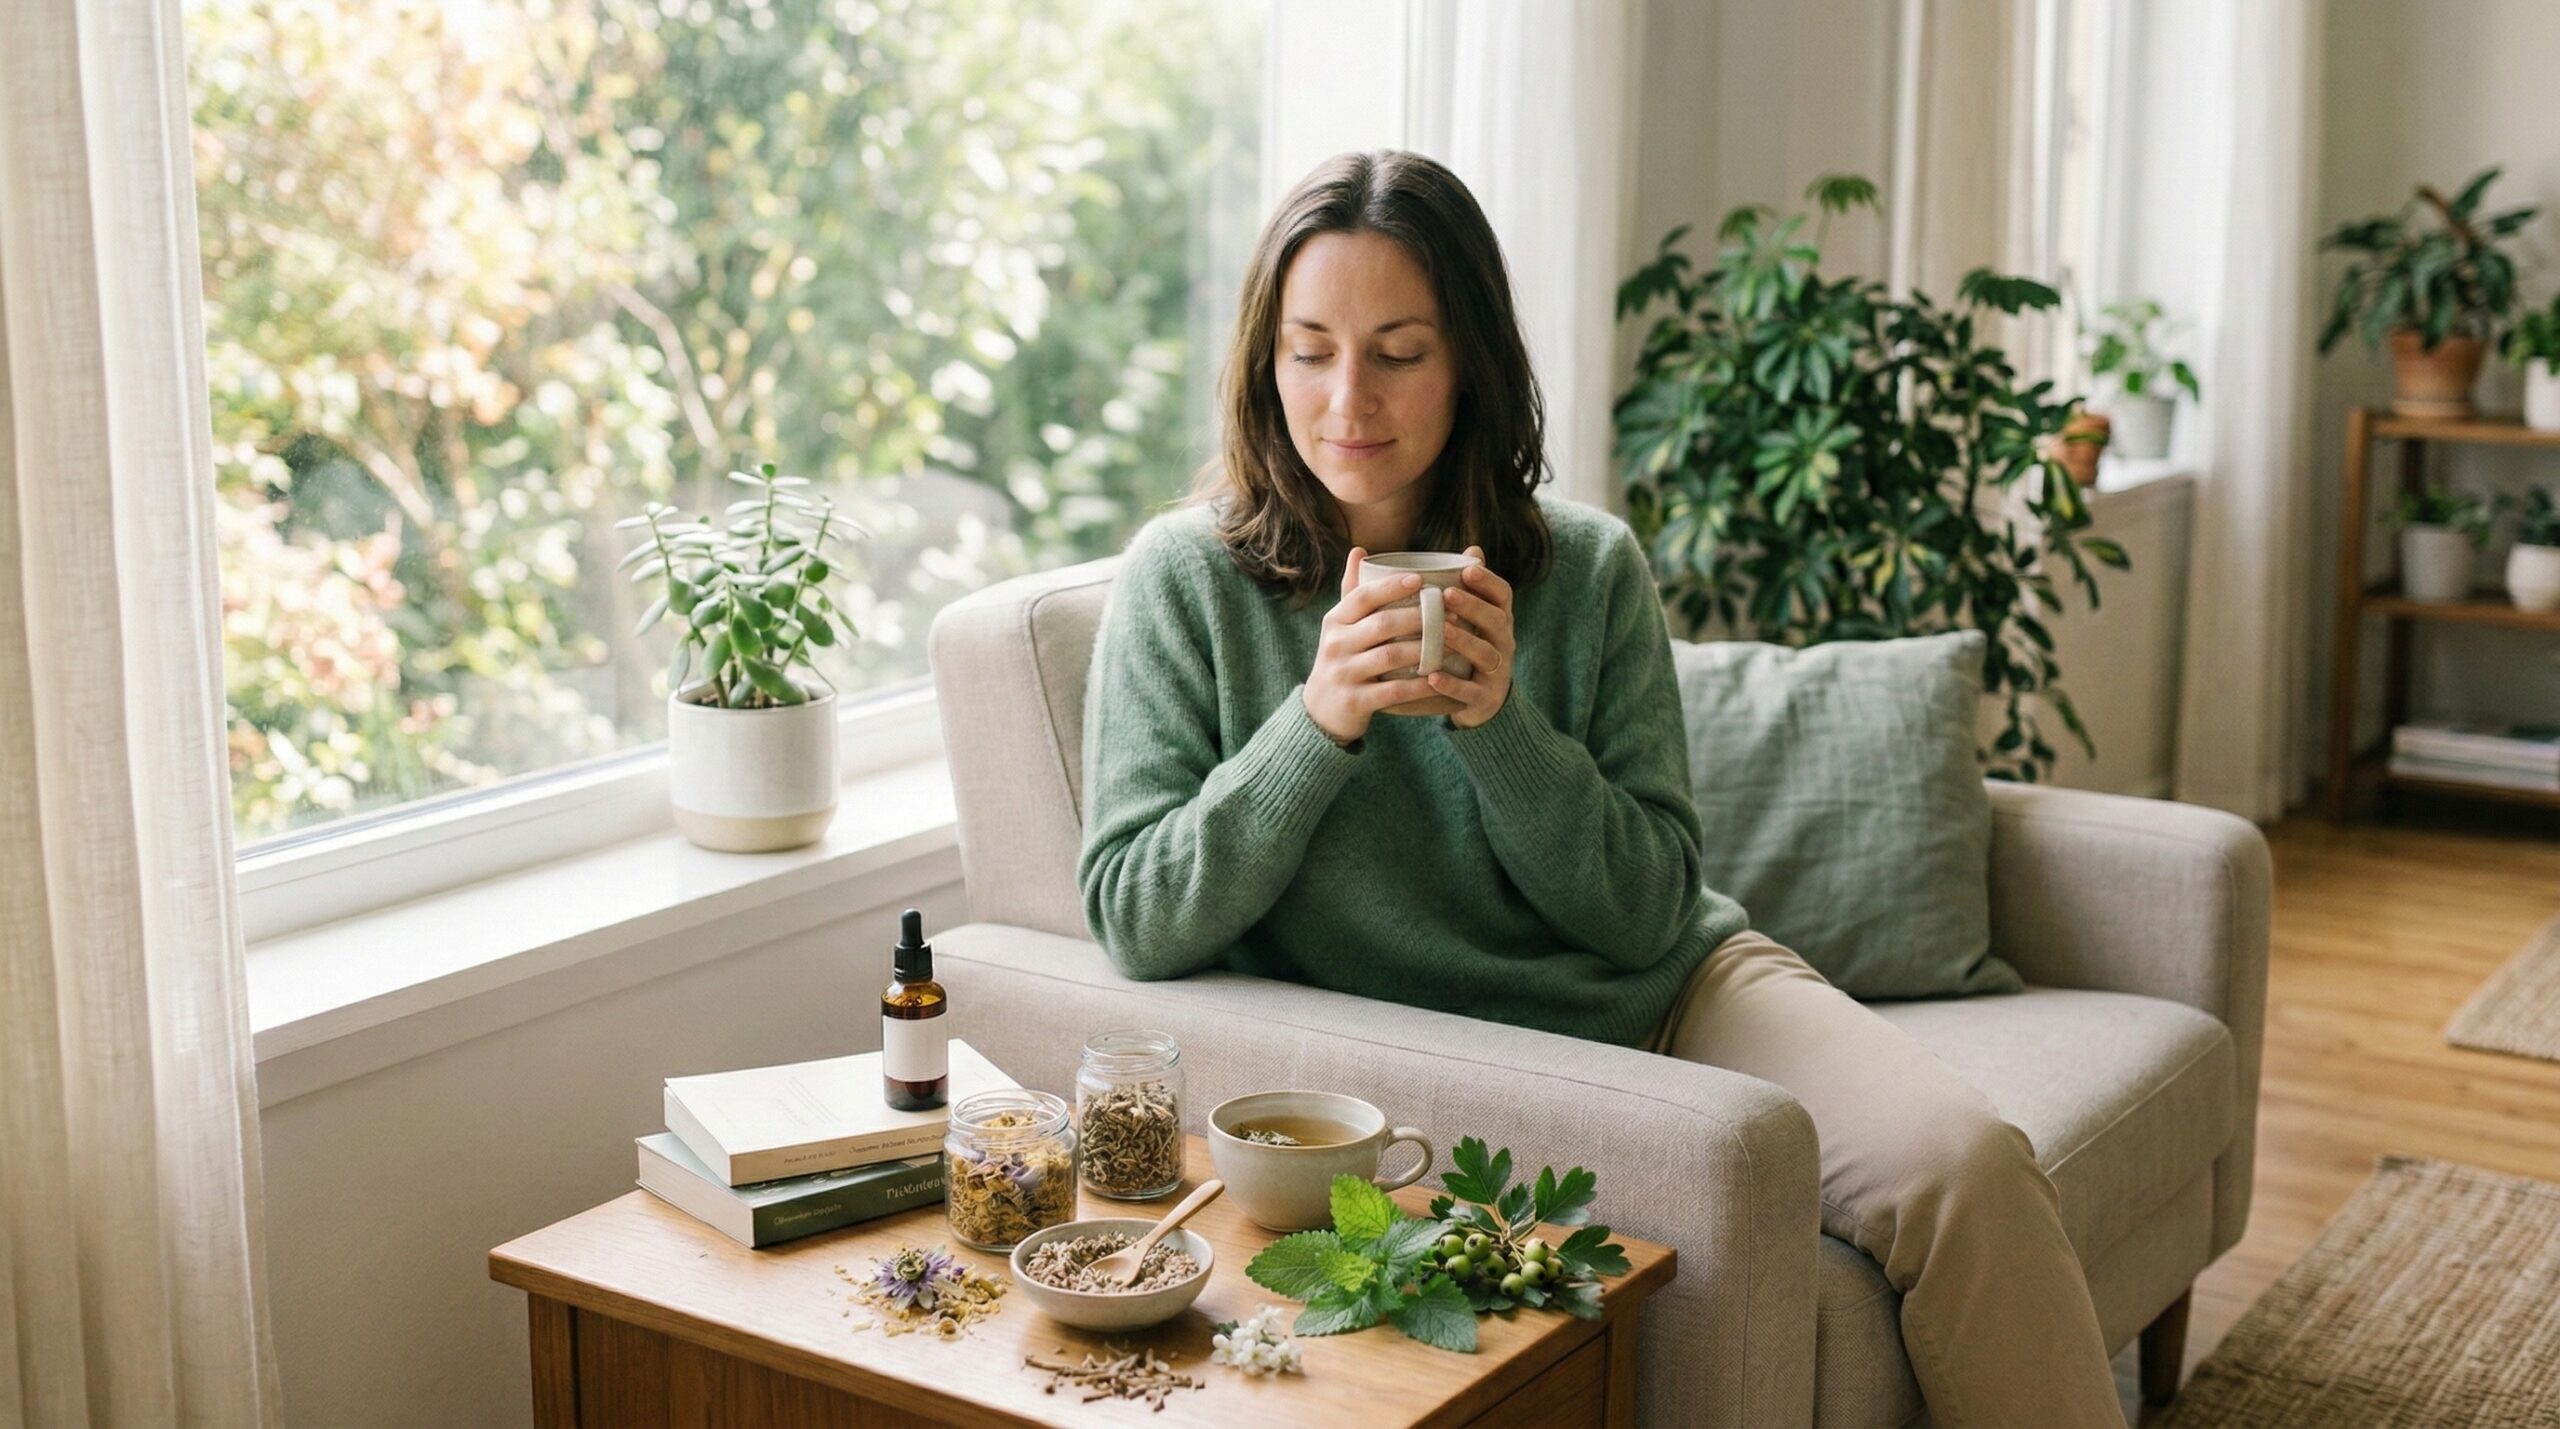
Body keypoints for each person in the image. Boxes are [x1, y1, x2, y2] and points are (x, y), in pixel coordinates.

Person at [1074, 148, 2123, 1427]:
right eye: (1310, 349)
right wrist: (1316, 721)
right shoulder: (1186, 581)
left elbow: (1644, 911)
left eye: (1399, 349)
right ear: (1262, 363)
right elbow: (1133, 913)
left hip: (1670, 992)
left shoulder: (1585, 566)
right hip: (1457, 1060)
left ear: (1469, 362)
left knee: (1967, 1168)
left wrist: (1498, 723)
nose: (1348, 395)